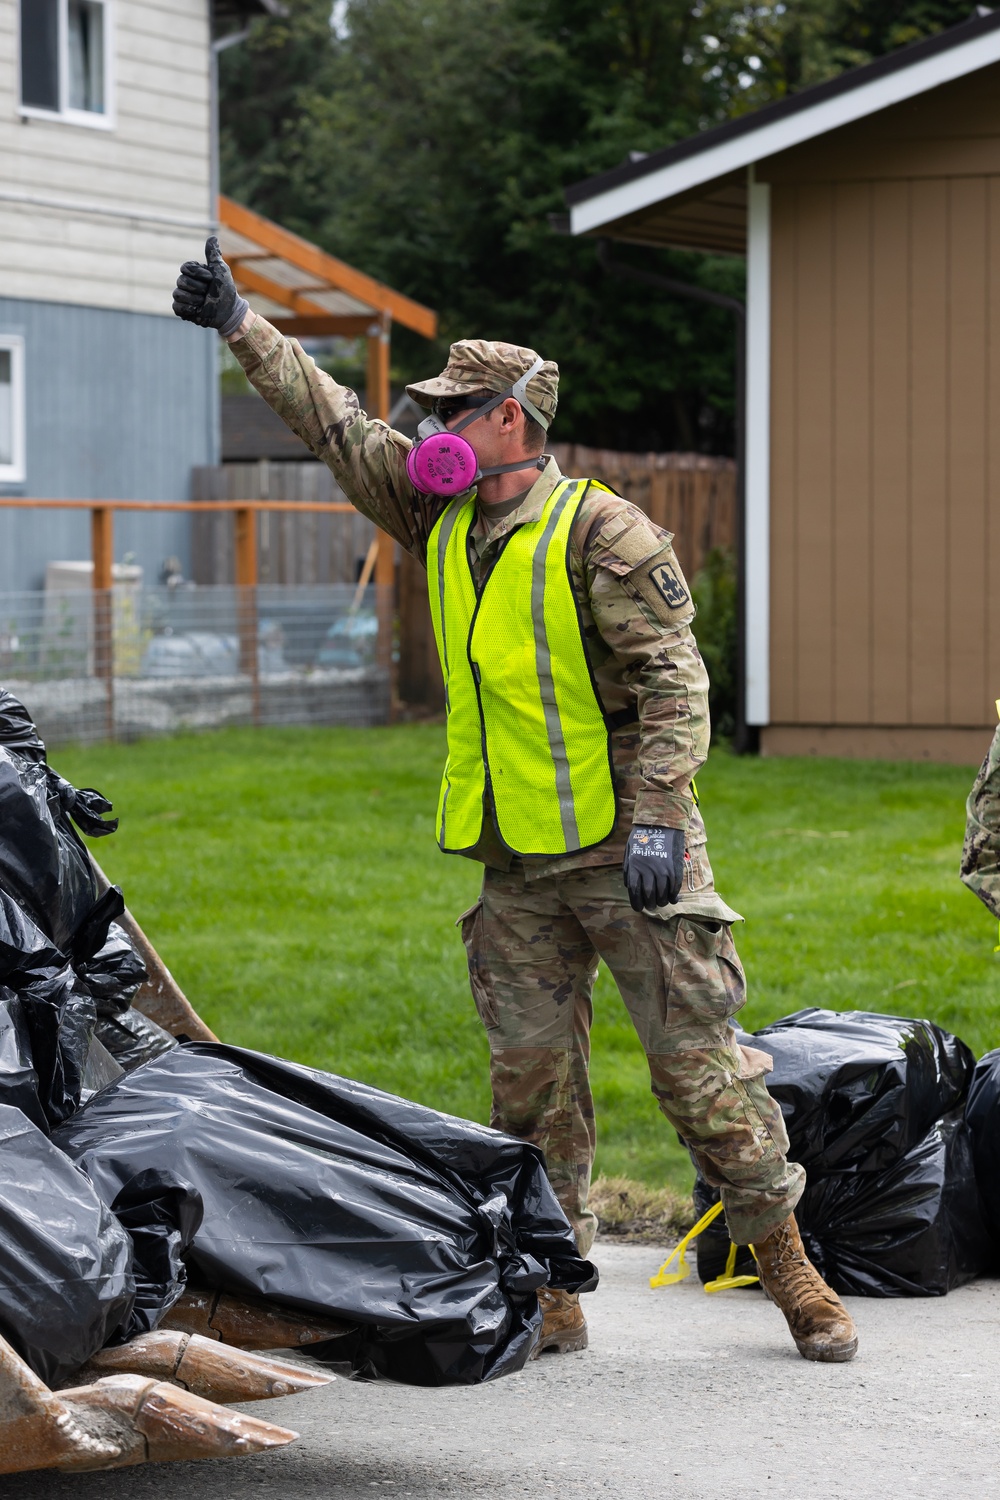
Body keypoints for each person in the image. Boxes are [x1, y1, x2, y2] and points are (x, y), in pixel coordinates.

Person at [173, 239, 858, 1364]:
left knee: (698, 1068)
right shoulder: (433, 511)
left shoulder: (602, 532)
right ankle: (553, 1289)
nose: (430, 424)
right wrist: (243, 324)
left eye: (454, 407)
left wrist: (655, 816)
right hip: (515, 859)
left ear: (510, 420)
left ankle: (788, 1265)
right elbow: (337, 425)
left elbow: (674, 685)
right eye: (432, 407)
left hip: (627, 849)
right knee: (530, 1088)